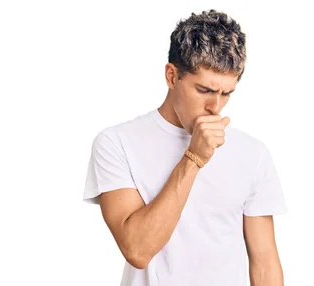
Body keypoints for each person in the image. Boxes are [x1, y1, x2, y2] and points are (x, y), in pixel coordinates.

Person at [83, 9, 287, 286]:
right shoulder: (117, 143)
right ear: (171, 76)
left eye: (226, 93)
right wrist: (194, 158)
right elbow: (137, 250)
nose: (215, 107)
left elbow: (264, 266)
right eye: (204, 90)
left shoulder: (253, 153)